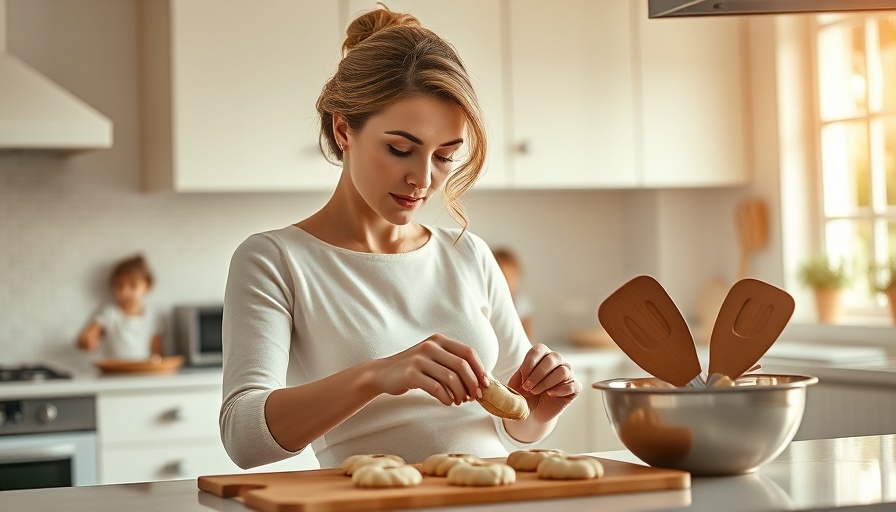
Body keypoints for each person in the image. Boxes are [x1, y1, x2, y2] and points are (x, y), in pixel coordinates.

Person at [220, 6, 581, 471]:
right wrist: (377, 374)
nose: (423, 180)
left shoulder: (467, 253)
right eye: (400, 149)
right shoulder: (275, 259)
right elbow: (243, 437)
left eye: (445, 156)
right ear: (343, 128)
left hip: (492, 495)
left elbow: (516, 424)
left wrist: (540, 409)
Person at [77, 254, 163, 360]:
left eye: (133, 285)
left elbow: (156, 352)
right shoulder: (110, 313)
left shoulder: (151, 316)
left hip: (143, 373)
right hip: (115, 374)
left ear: (148, 286)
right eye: (119, 285)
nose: (125, 292)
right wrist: (87, 341)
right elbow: (87, 336)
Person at [493, 247, 536, 342]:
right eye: (503, 275)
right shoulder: (490, 301)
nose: (507, 282)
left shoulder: (521, 302)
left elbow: (528, 332)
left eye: (511, 277)